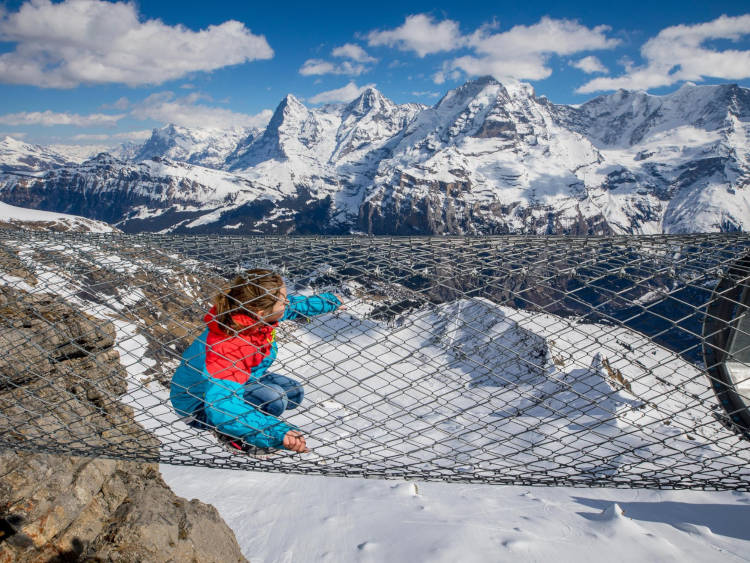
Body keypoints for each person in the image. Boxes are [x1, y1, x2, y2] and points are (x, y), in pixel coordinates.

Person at [170, 269, 343, 456]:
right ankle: (232, 435)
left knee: (294, 392)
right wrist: (275, 432)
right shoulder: (228, 347)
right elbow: (220, 405)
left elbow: (293, 306)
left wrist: (330, 301)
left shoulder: (249, 314)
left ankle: (249, 419)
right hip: (199, 405)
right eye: (282, 300)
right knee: (275, 399)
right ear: (261, 312)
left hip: (237, 380)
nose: (287, 302)